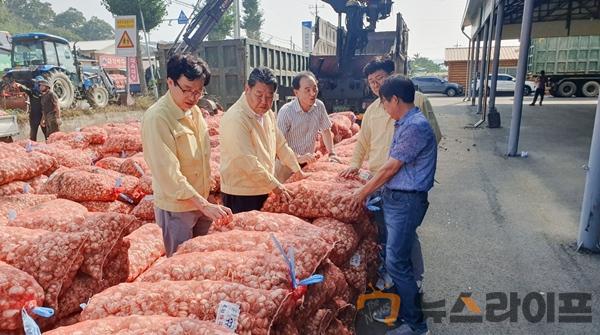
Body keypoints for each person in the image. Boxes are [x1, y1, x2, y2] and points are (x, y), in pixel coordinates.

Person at [340, 57, 434, 291]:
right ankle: (394, 275)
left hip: (402, 183)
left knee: (404, 234)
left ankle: (415, 278)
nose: (375, 84)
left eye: (379, 79)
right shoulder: (372, 110)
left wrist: (417, 169)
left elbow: (433, 136)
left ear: (391, 76)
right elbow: (363, 141)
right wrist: (355, 163)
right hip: (379, 182)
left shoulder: (417, 101)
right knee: (386, 232)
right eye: (371, 81)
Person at [352, 75, 436, 335]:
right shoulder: (405, 122)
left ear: (395, 100)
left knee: (398, 262)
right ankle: (401, 311)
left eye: (385, 103)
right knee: (394, 257)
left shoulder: (414, 126)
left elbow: (390, 168)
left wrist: (362, 192)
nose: (385, 109)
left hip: (407, 201)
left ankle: (416, 325)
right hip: (397, 198)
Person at [141, 53, 232, 257]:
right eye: (187, 90)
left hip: (201, 203)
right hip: (177, 209)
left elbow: (201, 158)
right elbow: (169, 175)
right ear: (170, 82)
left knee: (202, 261)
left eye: (199, 91)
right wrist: (203, 204)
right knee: (180, 264)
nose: (193, 97)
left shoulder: (195, 112)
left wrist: (206, 201)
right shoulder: (158, 118)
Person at [220, 67, 305, 213]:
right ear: (247, 89)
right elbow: (246, 161)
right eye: (259, 95)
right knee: (246, 234)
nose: (264, 102)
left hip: (264, 187)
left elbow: (281, 145)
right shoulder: (236, 118)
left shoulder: (267, 114)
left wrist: (297, 170)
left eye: (269, 96)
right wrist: (275, 185)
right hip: (242, 193)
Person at [275, 71, 340, 182]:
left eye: (315, 89)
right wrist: (298, 158)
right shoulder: (286, 112)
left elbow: (326, 130)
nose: (312, 93)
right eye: (307, 90)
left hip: (307, 163)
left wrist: (332, 153)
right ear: (296, 92)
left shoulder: (319, 106)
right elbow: (278, 145)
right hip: (286, 166)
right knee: (283, 196)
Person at [12, 76, 45, 141]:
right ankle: (33, 149)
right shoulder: (32, 92)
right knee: (33, 136)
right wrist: (20, 85)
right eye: (37, 83)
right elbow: (26, 89)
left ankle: (49, 148)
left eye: (39, 84)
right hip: (33, 117)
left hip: (43, 118)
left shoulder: (46, 94)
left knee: (47, 135)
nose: (38, 86)